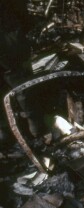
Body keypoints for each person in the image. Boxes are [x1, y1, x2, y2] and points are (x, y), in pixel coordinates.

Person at [0, 0, 43, 146]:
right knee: (21, 84)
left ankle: (31, 127)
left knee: (19, 82)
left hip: (9, 40)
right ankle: (33, 126)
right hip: (10, 41)